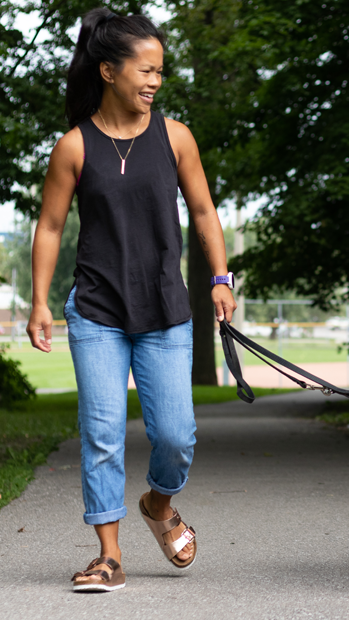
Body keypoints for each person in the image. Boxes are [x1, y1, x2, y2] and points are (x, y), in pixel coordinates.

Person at [26, 8, 236, 592]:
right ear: (109, 71)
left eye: (160, 73)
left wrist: (220, 277)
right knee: (102, 433)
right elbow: (48, 225)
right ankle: (109, 557)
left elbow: (202, 212)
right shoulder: (74, 146)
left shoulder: (175, 137)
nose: (154, 82)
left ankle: (158, 504)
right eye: (145, 71)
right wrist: (40, 303)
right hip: (96, 310)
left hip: (165, 309)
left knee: (176, 435)